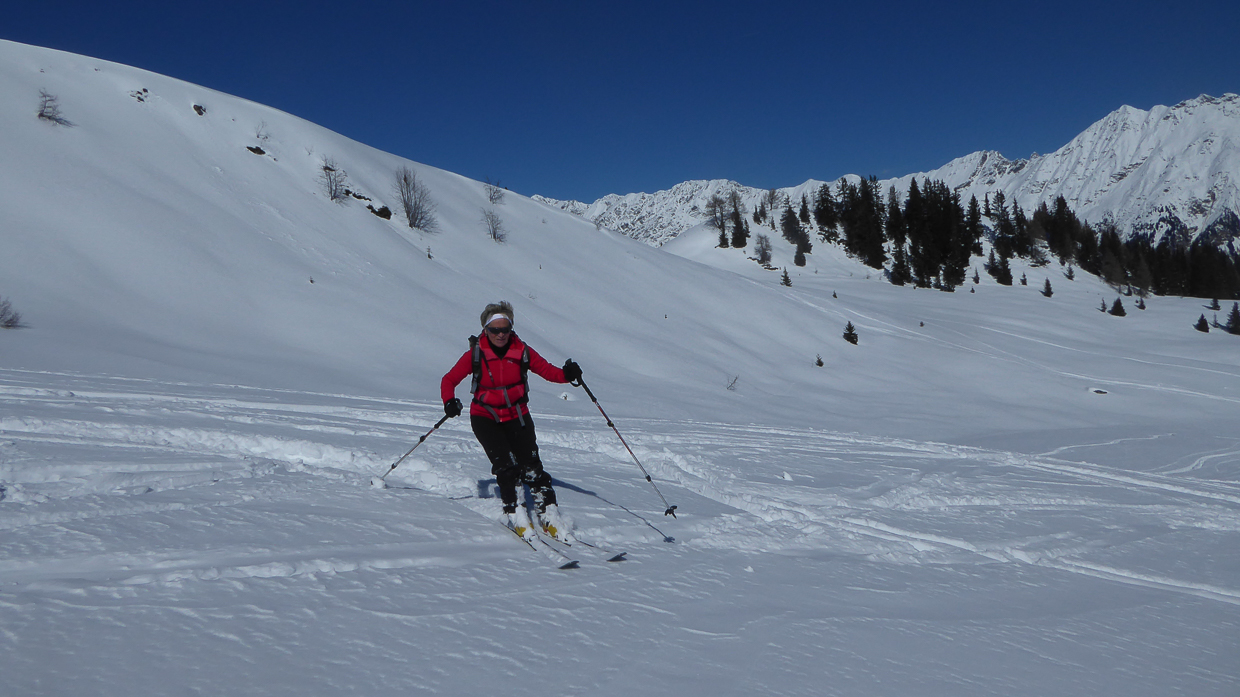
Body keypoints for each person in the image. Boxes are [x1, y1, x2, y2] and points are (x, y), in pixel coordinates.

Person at [441, 301, 582, 540]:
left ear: (511, 328)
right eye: (495, 330)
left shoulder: (522, 351)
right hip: (485, 417)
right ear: (485, 330)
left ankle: (548, 513)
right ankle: (515, 511)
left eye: (505, 329)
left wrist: (567, 375)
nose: (500, 334)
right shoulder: (476, 354)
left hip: (517, 416)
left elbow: (548, 371)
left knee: (533, 468)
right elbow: (449, 380)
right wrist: (449, 401)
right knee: (506, 468)